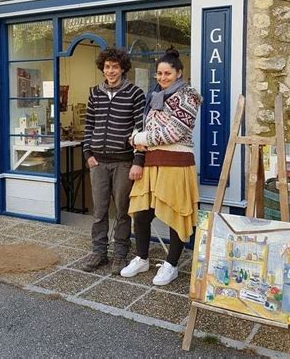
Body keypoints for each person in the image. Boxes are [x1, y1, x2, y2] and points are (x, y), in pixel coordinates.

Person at [120, 47, 202, 285]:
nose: (162, 77)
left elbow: (175, 132)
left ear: (179, 73)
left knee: (177, 213)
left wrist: (139, 139)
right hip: (151, 163)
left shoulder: (188, 96)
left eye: (167, 73)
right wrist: (139, 143)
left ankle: (171, 264)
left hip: (176, 164)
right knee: (142, 213)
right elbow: (148, 128)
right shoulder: (154, 95)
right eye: (159, 73)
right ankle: (142, 257)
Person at [82, 48, 146, 275]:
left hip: (123, 162)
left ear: (122, 69)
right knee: (99, 211)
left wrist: (138, 160)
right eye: (107, 66)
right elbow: (89, 125)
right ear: (103, 68)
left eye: (115, 67)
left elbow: (141, 129)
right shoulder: (94, 93)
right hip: (98, 162)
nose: (111, 71)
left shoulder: (135, 93)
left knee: (122, 211)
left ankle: (120, 254)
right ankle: (98, 252)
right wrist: (88, 153)